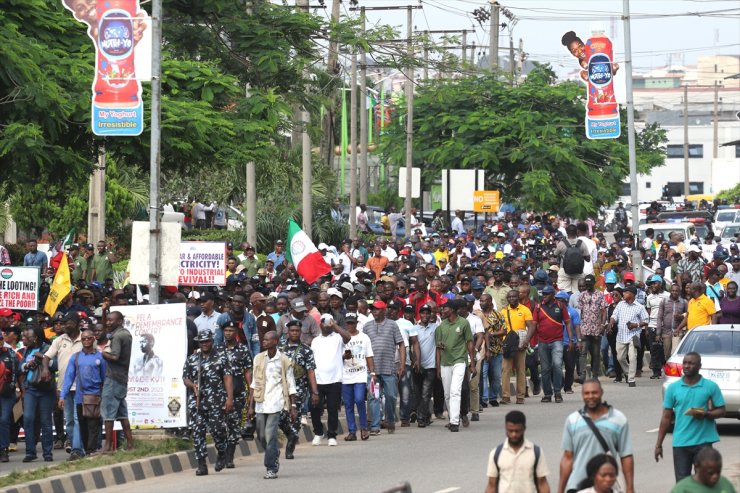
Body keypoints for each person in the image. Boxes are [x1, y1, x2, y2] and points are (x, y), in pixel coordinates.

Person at [655, 352, 726, 482]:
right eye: (685, 363)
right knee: (683, 483)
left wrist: (707, 414)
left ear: (699, 366)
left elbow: (722, 410)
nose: (687, 366)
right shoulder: (673, 388)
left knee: (705, 482)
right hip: (681, 443)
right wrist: (658, 444)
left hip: (704, 443)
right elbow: (666, 417)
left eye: (691, 363)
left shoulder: (710, 386)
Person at [558, 379, 634, 493]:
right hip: (576, 485)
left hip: (606, 486)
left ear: (601, 392)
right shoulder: (573, 420)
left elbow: (626, 456)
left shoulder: (618, 419)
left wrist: (630, 488)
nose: (591, 396)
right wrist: (560, 490)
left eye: (594, 392)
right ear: (582, 395)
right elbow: (567, 457)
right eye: (586, 393)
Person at [182, 329, 234, 476]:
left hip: (216, 401)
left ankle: (222, 453)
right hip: (197, 401)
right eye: (202, 341)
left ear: (212, 341)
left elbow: (227, 378)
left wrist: (229, 398)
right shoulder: (192, 359)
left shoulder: (221, 357)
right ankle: (201, 465)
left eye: (207, 341)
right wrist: (192, 385)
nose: (205, 344)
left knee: (218, 430)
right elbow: (185, 377)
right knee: (198, 433)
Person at [247, 331, 297, 480]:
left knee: (270, 435)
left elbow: (290, 382)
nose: (264, 341)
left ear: (275, 342)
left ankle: (271, 468)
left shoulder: (283, 360)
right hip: (261, 403)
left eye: (268, 340)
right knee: (261, 435)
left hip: (276, 403)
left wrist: (293, 406)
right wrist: (250, 406)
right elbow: (254, 384)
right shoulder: (258, 358)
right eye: (264, 339)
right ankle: (274, 452)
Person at [42, 311, 83, 460]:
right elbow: (46, 356)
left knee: (78, 419)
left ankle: (77, 450)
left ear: (77, 324)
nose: (64, 325)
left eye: (68, 323)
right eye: (64, 323)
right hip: (64, 387)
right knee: (70, 420)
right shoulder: (59, 340)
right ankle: (75, 446)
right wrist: (46, 369)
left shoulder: (85, 338)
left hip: (81, 386)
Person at [59, 328, 106, 458]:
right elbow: (68, 377)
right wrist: (63, 395)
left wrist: (104, 396)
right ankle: (86, 450)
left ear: (93, 339)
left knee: (93, 426)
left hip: (96, 396)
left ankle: (91, 451)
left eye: (89, 338)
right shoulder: (76, 357)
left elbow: (105, 378)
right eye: (83, 338)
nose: (86, 341)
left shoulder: (100, 357)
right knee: (82, 426)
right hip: (80, 398)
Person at [363, 300, 404, 435]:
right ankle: (375, 426)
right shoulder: (367, 326)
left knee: (391, 396)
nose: (374, 311)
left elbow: (401, 344)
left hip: (389, 368)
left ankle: (390, 419)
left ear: (384, 310)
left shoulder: (392, 325)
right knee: (373, 397)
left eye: (377, 309)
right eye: (373, 309)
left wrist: (402, 365)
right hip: (373, 370)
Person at [278, 320, 318, 458]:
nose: (294, 333)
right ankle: (290, 435)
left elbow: (311, 371)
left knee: (295, 417)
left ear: (300, 332)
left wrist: (314, 392)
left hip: (299, 389)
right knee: (280, 416)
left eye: (297, 331)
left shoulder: (306, 350)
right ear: (287, 332)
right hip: (280, 389)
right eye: (292, 331)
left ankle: (290, 447)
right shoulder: (279, 348)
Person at [309, 314, 351, 446]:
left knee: (333, 408)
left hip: (334, 379)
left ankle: (332, 435)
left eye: (329, 321)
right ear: (320, 324)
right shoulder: (315, 340)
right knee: (314, 408)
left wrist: (334, 326)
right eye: (324, 321)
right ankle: (318, 432)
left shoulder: (338, 337)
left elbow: (348, 337)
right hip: (318, 379)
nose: (326, 324)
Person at [526, 285, 572, 404]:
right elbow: (534, 325)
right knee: (545, 369)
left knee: (557, 365)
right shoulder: (538, 307)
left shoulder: (560, 306)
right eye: (543, 294)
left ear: (553, 295)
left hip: (557, 340)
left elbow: (567, 323)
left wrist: (571, 340)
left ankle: (557, 392)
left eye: (547, 294)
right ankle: (547, 394)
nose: (544, 296)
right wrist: (529, 340)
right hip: (542, 342)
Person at [485, 410, 551, 493]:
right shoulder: (496, 453)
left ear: (524, 429)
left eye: (517, 431)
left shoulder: (536, 452)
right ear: (505, 428)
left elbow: (542, 483)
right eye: (510, 431)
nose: (514, 434)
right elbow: (491, 485)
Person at [435, 299, 476, 432]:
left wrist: (472, 363)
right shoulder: (441, 326)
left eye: (445, 308)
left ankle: (454, 422)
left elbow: (470, 342)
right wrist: (438, 367)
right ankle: (454, 416)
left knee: (455, 391)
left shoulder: (463, 323)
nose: (442, 311)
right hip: (445, 363)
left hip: (459, 360)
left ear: (452, 310)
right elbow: (438, 348)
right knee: (447, 394)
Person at [20, 325, 55, 462]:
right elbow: (20, 367)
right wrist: (27, 365)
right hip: (31, 390)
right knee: (28, 419)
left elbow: (55, 365)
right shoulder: (27, 349)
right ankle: (30, 452)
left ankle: (47, 453)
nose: (24, 339)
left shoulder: (48, 347)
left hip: (46, 390)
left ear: (36, 338)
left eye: (27, 337)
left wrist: (43, 357)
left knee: (46, 421)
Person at [101, 311, 135, 452]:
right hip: (122, 379)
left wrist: (103, 353)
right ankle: (130, 445)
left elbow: (114, 356)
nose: (108, 323)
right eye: (107, 320)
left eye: (111, 320)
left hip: (114, 378)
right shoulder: (126, 334)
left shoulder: (117, 336)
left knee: (108, 414)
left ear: (120, 321)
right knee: (122, 414)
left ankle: (108, 447)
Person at [220, 320, 252, 468]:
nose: (228, 333)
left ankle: (229, 457)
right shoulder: (217, 349)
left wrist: (251, 391)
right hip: (219, 394)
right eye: (226, 330)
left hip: (238, 391)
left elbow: (247, 372)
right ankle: (222, 452)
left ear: (236, 333)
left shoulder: (243, 350)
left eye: (231, 330)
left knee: (234, 426)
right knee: (220, 426)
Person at [341, 313, 375, 441]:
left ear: (356, 323)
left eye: (352, 323)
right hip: (346, 375)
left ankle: (364, 427)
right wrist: (344, 356)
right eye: (348, 323)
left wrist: (372, 373)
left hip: (360, 374)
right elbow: (337, 357)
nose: (350, 325)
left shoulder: (364, 337)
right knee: (348, 404)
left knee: (360, 400)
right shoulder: (341, 337)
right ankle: (352, 431)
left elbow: (369, 355)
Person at [608, 286, 648, 387]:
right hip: (621, 335)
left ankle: (631, 379)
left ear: (632, 294)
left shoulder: (639, 307)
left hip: (633, 335)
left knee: (632, 357)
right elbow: (614, 315)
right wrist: (611, 323)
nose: (623, 294)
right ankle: (627, 373)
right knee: (620, 358)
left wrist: (636, 325)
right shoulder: (621, 304)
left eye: (626, 292)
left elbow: (646, 320)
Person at [500, 290, 535, 405]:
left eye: (514, 296)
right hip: (508, 344)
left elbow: (531, 326)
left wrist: (526, 340)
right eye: (509, 297)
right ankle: (505, 396)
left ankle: (520, 396)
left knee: (520, 370)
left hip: (520, 342)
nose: (511, 299)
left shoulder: (525, 310)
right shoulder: (504, 311)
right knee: (506, 370)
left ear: (518, 297)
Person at [670, 448, 737, 493]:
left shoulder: (725, 483)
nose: (715, 476)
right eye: (710, 473)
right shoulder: (682, 489)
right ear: (697, 467)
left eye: (718, 472)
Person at [554, 224, 591, 294]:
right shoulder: (581, 243)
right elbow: (588, 259)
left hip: (564, 271)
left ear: (567, 232)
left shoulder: (562, 243)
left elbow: (555, 255)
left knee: (564, 293)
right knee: (577, 293)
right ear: (577, 232)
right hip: (578, 271)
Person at [0, 331, 18, 462]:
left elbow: (15, 373)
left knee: (4, 419)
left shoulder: (10, 353)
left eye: (0, 340)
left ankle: (4, 449)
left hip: (7, 393)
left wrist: (12, 387)